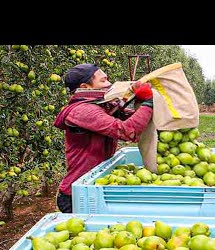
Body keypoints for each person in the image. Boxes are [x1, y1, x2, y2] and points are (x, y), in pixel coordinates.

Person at [53, 63, 154, 213]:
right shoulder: (82, 111)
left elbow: (132, 118)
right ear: (85, 87)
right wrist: (148, 103)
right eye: (103, 81)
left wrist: (138, 99)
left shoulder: (100, 105)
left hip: (96, 184)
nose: (109, 84)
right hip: (78, 194)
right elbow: (127, 131)